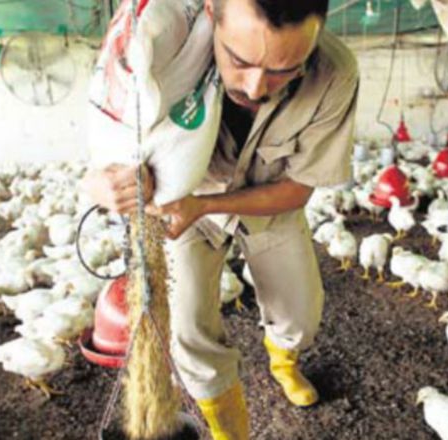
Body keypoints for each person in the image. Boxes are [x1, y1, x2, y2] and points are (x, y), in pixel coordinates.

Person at [82, 0, 358, 438]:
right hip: (189, 206)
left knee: (300, 315)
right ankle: (228, 429)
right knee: (189, 330)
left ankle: (284, 361)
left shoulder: (334, 73)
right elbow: (108, 140)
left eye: (284, 70)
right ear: (213, 14)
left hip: (269, 206)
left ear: (317, 37)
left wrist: (207, 207)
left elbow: (298, 189)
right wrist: (102, 184)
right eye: (239, 60)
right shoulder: (168, 47)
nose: (255, 87)